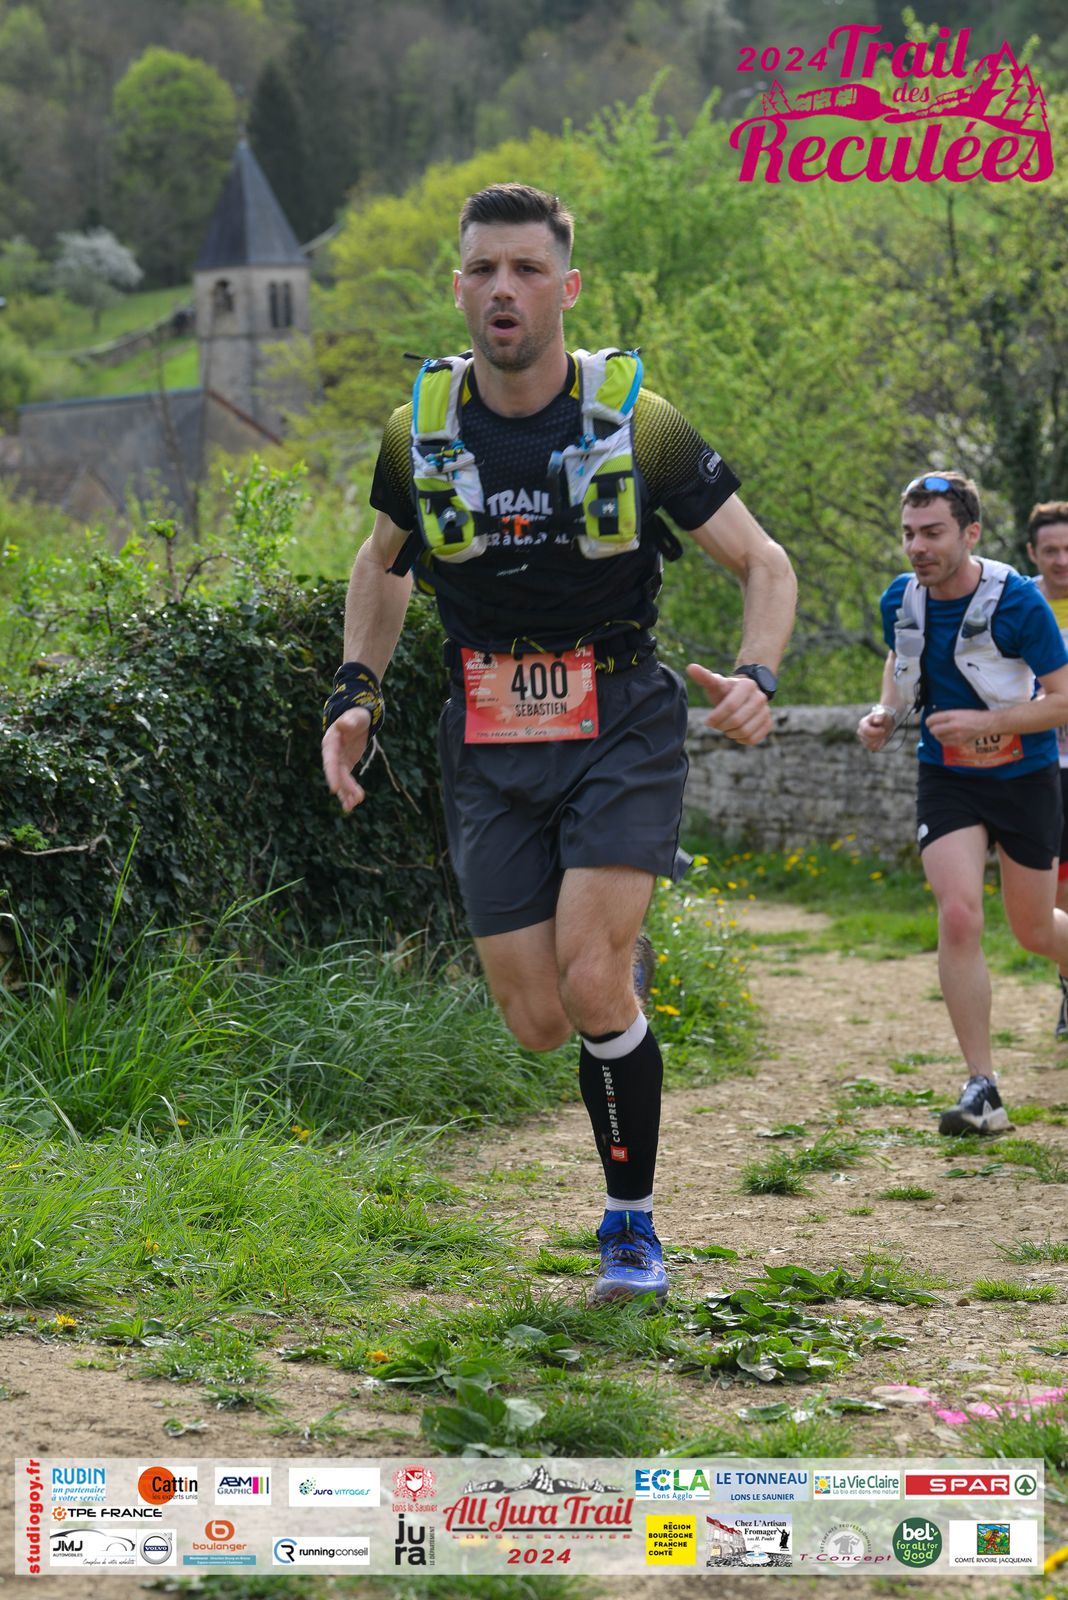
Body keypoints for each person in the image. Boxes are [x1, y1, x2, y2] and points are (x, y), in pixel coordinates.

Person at [321, 183, 796, 1305]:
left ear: (566, 287)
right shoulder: (419, 429)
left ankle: (630, 1226)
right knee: (539, 1021)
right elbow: (379, 567)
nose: (505, 289)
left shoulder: (638, 419)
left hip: (620, 713)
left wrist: (760, 675)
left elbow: (763, 562)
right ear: (458, 288)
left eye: (528, 269)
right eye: (484, 269)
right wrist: (356, 694)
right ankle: (613, 973)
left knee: (588, 980)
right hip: (487, 733)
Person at [857, 471, 1068, 1135]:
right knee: (957, 914)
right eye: (909, 533)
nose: (917, 547)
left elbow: (1063, 700)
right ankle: (984, 1089)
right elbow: (900, 660)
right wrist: (885, 713)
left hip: (1025, 777)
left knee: (1034, 931)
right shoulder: (900, 597)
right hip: (946, 777)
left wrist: (985, 723)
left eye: (933, 533)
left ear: (971, 533)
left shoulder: (1018, 602)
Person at [1026, 500, 1068, 1038]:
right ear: (1033, 553)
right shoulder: (1018, 600)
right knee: (1059, 895)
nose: (1062, 560)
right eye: (1051, 550)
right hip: (1043, 765)